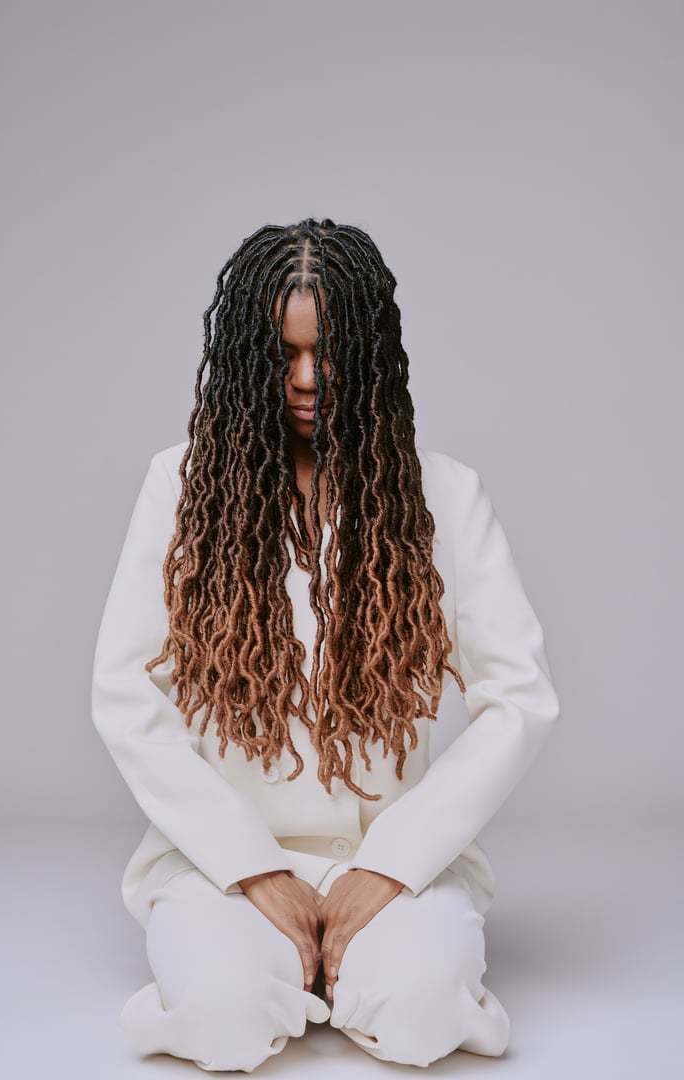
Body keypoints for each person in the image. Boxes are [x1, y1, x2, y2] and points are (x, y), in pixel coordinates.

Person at [91, 217, 560, 1072]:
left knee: (423, 1016)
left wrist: (392, 867)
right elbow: (125, 695)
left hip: (390, 859)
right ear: (247, 356)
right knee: (224, 1020)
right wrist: (246, 867)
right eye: (284, 355)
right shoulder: (182, 488)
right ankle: (269, 967)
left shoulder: (445, 498)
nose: (306, 380)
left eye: (329, 353)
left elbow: (519, 700)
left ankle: (352, 965)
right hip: (218, 863)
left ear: (373, 351)